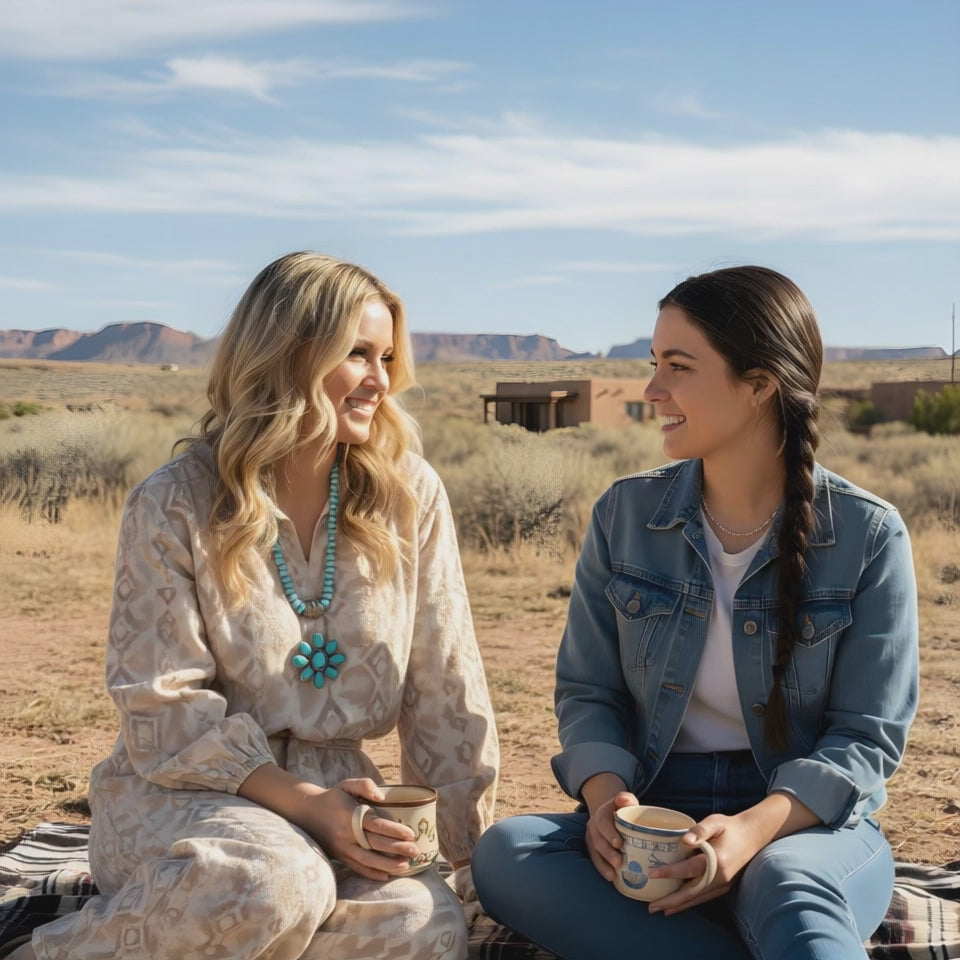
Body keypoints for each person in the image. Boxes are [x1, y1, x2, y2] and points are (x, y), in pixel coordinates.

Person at [13, 252, 499, 960]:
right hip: (183, 796)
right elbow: (161, 705)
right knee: (275, 881)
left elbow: (447, 685)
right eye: (357, 354)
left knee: (419, 925)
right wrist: (307, 808)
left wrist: (468, 863)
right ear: (286, 354)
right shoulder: (174, 500)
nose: (380, 379)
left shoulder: (408, 495)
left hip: (342, 798)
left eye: (387, 356)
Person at [471, 265, 919, 959]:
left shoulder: (868, 534)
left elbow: (866, 737)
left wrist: (751, 833)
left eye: (678, 367)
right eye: (655, 365)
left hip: (802, 823)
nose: (653, 391)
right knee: (508, 852)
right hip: (656, 807)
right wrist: (604, 798)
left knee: (790, 891)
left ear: (760, 383)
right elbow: (589, 692)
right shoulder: (625, 515)